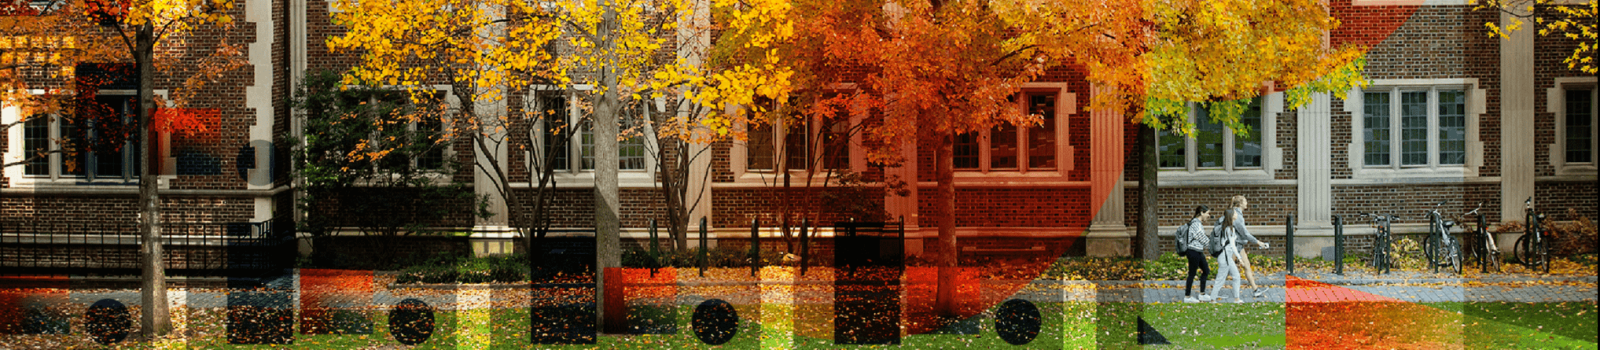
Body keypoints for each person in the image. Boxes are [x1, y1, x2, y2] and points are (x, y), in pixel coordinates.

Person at [1209, 195, 1269, 303]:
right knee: (1225, 272)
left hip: (1237, 247)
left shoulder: (1235, 214)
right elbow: (1244, 234)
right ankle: (1214, 295)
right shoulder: (1235, 216)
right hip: (1232, 248)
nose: (1247, 203)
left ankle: (1254, 290)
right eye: (1245, 201)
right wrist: (1258, 242)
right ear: (1239, 204)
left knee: (1243, 268)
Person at [1181, 206, 1214, 303]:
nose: (1209, 216)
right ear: (1201, 213)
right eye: (1207, 213)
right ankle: (1187, 297)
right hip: (1193, 251)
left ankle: (1202, 294)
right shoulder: (1195, 224)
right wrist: (1213, 246)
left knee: (1206, 270)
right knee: (1192, 273)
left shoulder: (1198, 223)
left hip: (1198, 251)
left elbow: (1201, 238)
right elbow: (1201, 237)